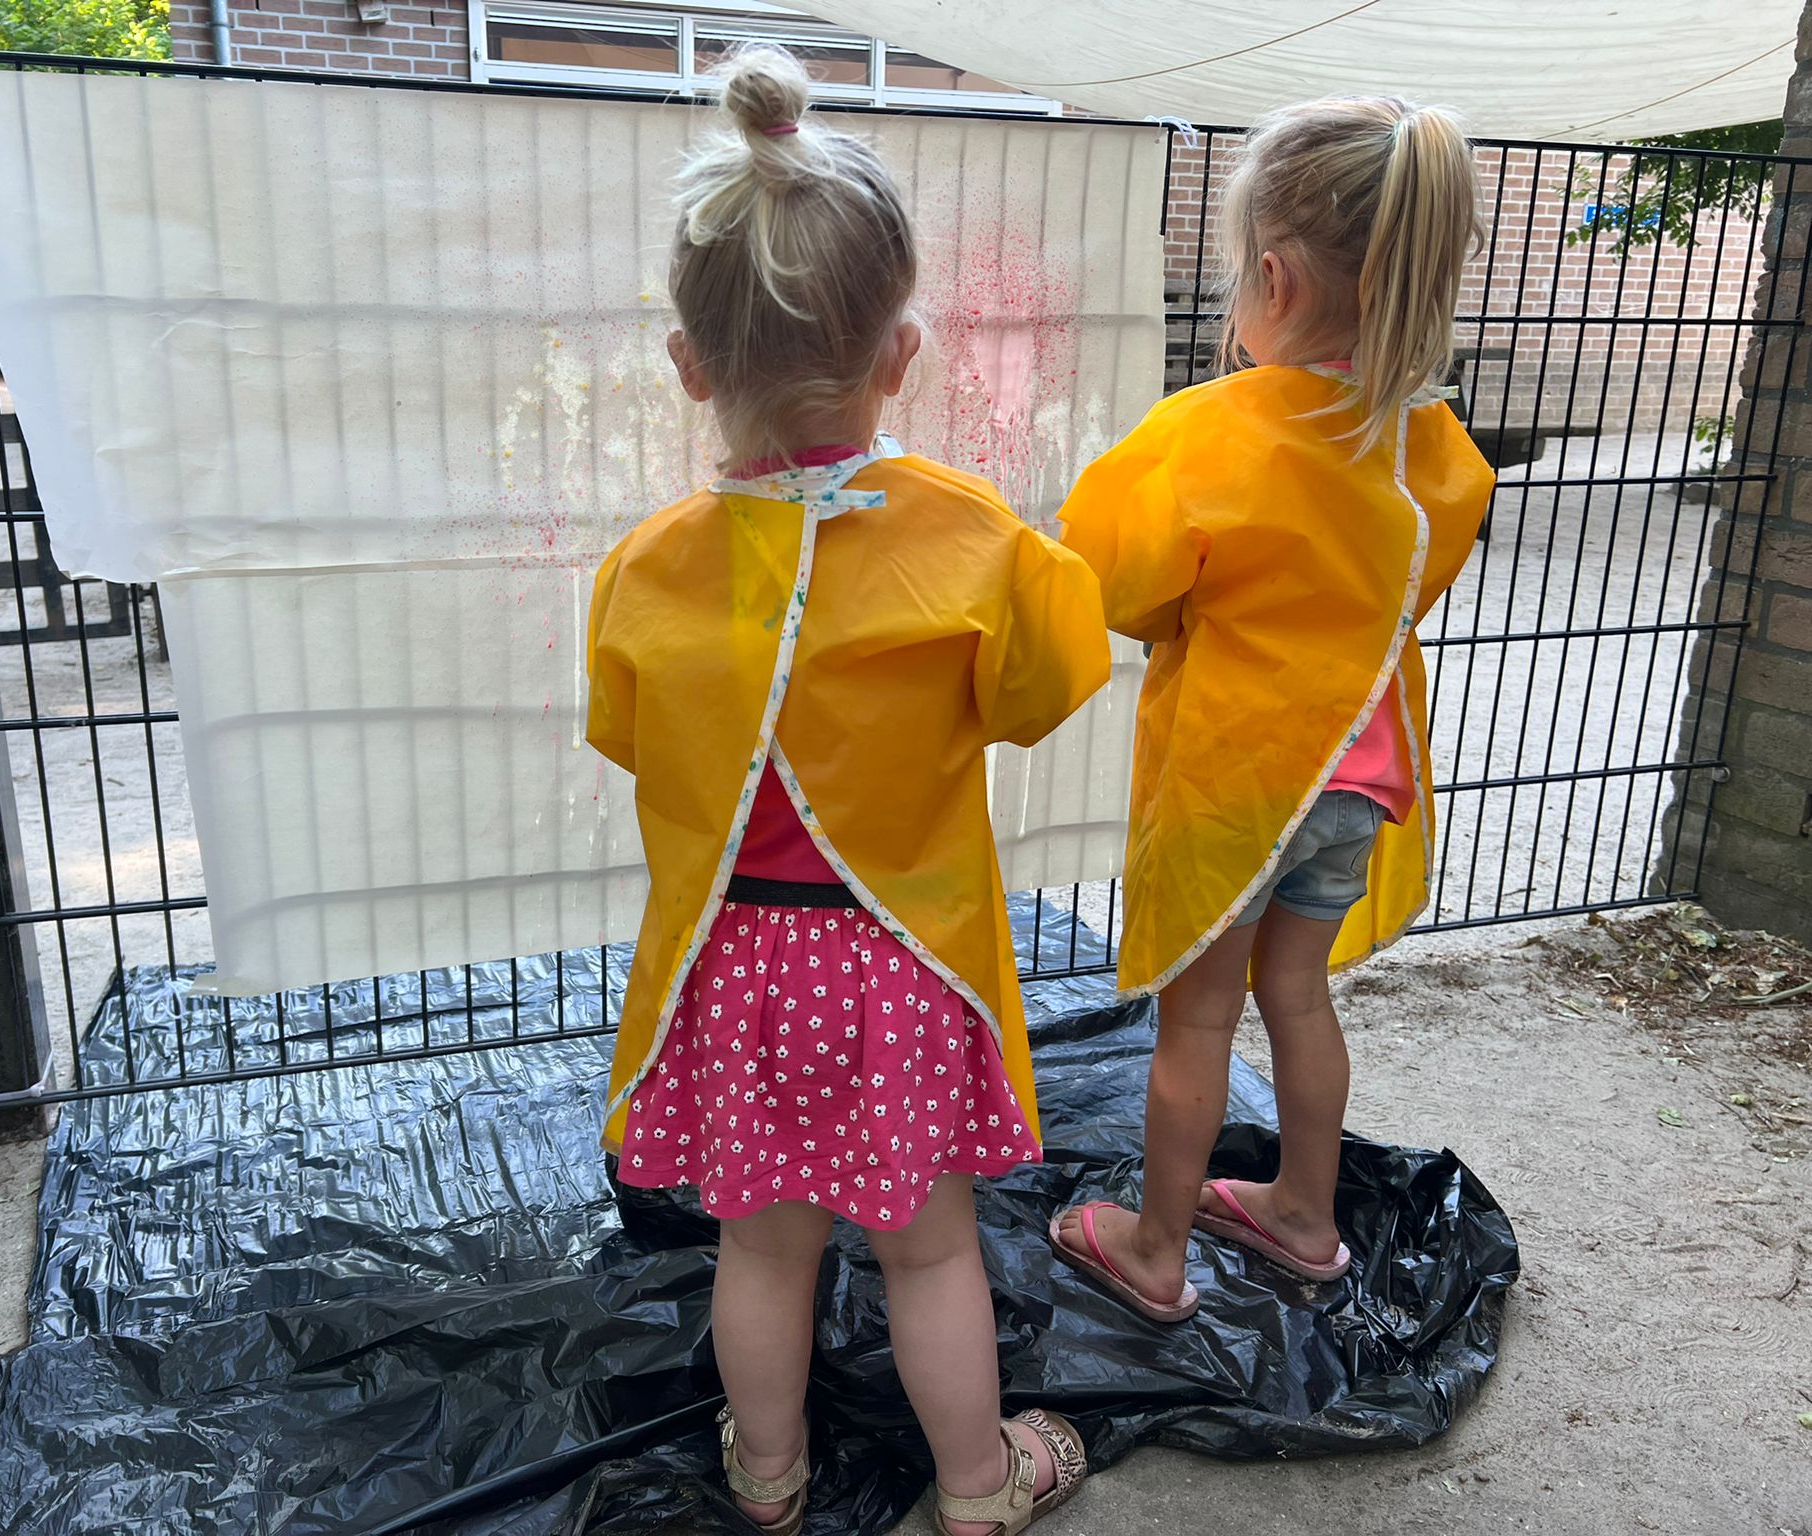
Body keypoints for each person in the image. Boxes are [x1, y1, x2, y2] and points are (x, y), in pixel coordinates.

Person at [584, 44, 1107, 1536]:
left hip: (735, 964)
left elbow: (629, 736)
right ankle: (977, 1485)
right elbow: (1048, 685)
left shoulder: (645, 570)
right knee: (929, 1250)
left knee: (761, 1249)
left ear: (688, 365)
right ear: (902, 352)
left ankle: (767, 1478)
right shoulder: (971, 537)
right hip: (899, 964)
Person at [1048, 98, 1497, 1323]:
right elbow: (1409, 583)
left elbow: (1115, 581)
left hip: (1237, 782)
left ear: (1274, 278)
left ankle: (1152, 1248)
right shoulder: (1435, 446)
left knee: (1195, 1018)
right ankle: (1302, 1212)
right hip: (1361, 776)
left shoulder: (1208, 433)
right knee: (1296, 994)